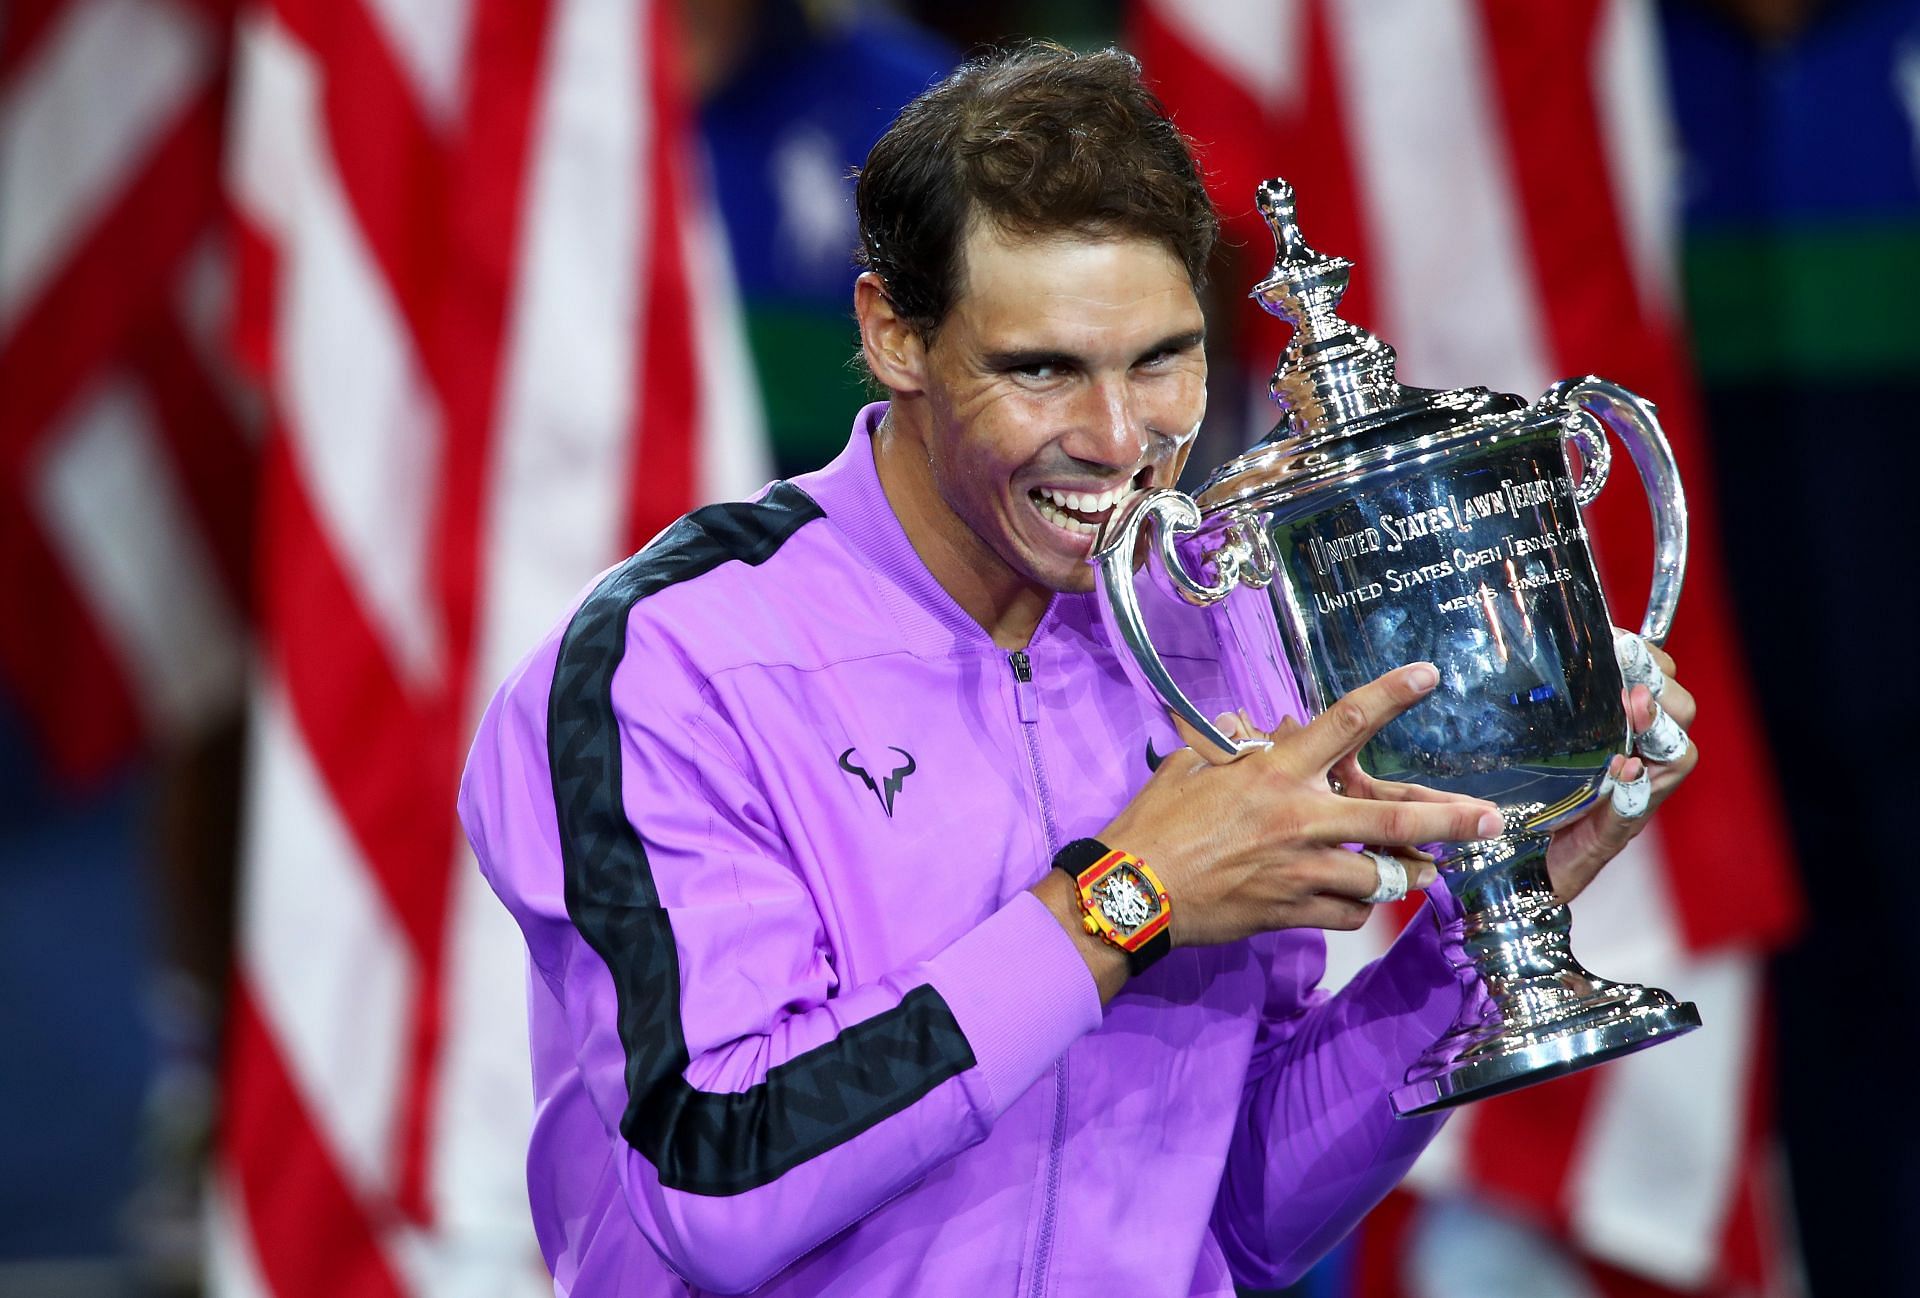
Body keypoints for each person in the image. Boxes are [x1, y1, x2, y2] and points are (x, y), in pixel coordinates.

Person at [458, 43, 1697, 1297]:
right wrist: (1125, 896)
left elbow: (1242, 1213)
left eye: (1162, 358)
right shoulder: (666, 670)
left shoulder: (1223, 627)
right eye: (1040, 368)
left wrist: (1478, 933)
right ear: (894, 334)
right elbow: (714, 1179)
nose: (1119, 443)